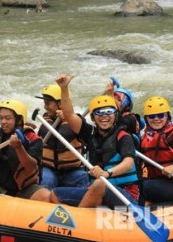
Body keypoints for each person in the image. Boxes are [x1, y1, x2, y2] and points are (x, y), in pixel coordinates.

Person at [49, 74, 140, 209]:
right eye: (99, 113)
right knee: (55, 195)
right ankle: (79, 222)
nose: (104, 116)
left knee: (99, 184)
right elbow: (70, 115)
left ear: (115, 115)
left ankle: (78, 221)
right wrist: (64, 88)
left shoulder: (123, 136)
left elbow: (128, 163)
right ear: (92, 117)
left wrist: (106, 173)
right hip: (96, 191)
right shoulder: (90, 134)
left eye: (109, 111)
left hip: (125, 194)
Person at [35, 84, 89, 189]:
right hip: (49, 169)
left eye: (48, 103)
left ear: (60, 103)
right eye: (45, 103)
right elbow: (51, 138)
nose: (45, 107)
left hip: (72, 171)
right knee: (45, 182)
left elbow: (63, 140)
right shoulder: (45, 120)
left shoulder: (76, 121)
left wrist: (65, 119)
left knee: (84, 178)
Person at [105, 81, 144, 146]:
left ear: (127, 105)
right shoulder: (108, 116)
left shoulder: (132, 119)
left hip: (130, 151)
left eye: (119, 100)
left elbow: (121, 125)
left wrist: (111, 99)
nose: (114, 101)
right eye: (113, 99)